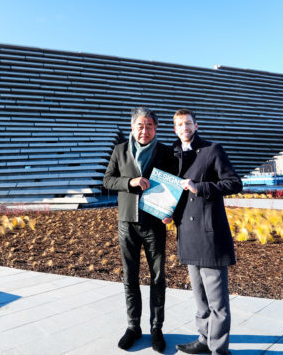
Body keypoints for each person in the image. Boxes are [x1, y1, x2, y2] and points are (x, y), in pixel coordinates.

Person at [167, 109, 242, 355]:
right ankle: (203, 338)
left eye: (188, 123)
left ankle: (219, 349)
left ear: (196, 125)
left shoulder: (212, 150)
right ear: (175, 128)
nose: (184, 128)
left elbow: (234, 183)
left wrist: (200, 187)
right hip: (187, 233)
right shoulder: (173, 153)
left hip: (209, 233)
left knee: (217, 300)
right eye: (179, 124)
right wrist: (168, 213)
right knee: (199, 296)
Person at [103, 107, 176, 353]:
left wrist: (172, 211)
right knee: (129, 277)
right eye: (140, 126)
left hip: (155, 223)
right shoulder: (120, 150)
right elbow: (108, 180)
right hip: (127, 222)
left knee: (158, 277)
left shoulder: (167, 152)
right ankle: (133, 327)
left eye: (150, 126)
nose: (145, 130)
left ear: (156, 128)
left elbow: (176, 184)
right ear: (133, 127)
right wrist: (129, 182)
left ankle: (157, 328)